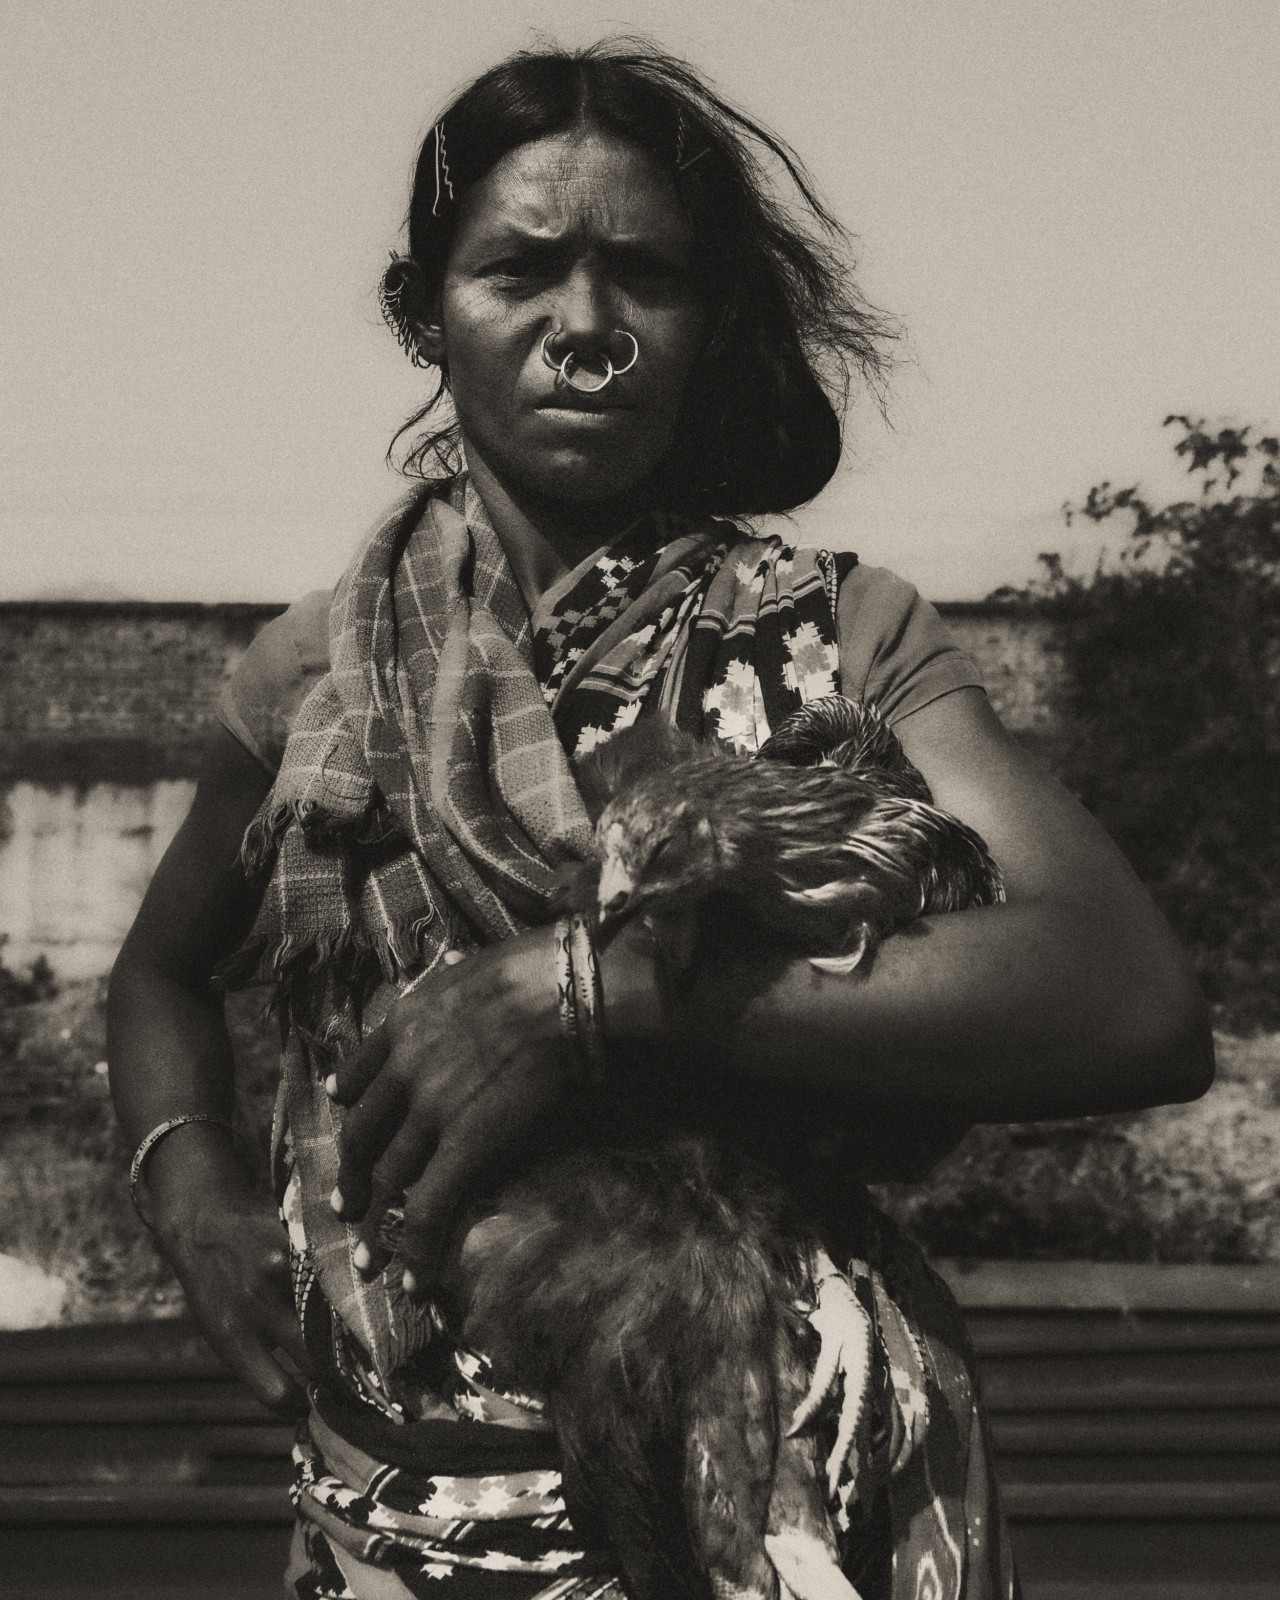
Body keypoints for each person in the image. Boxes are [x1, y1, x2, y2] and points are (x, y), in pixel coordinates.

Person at [107, 40, 1213, 1600]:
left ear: (712, 327)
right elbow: (159, 975)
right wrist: (189, 1190)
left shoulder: (841, 637)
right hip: (404, 1505)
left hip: (790, 1487)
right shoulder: (320, 674)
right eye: (520, 270)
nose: (585, 328)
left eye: (645, 276)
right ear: (430, 312)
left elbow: (1133, 999)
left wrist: (599, 994)